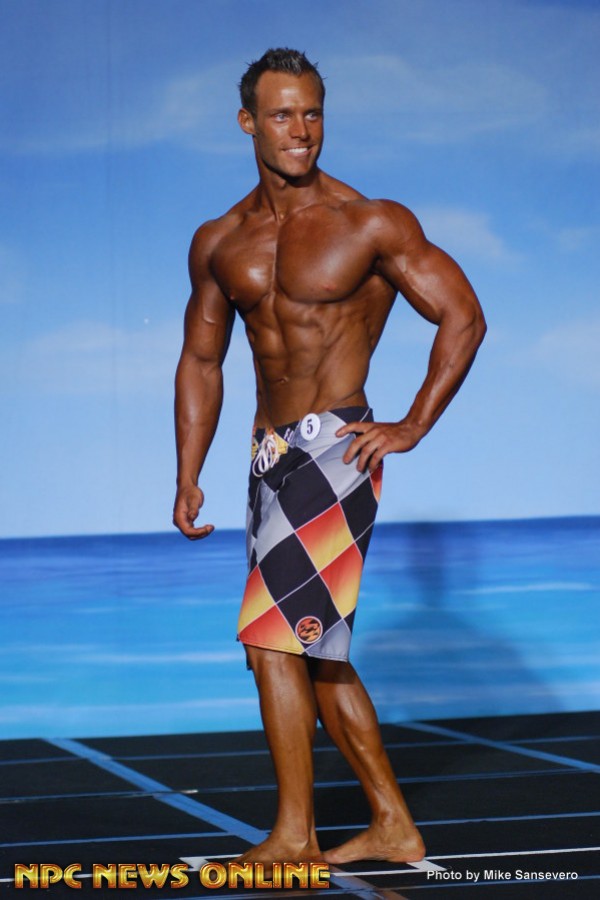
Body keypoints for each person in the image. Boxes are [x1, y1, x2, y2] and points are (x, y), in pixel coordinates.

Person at [173, 48, 486, 867]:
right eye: (282, 114)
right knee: (309, 647)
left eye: (312, 112)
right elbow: (202, 359)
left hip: (336, 447)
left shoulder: (368, 221)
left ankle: (293, 837)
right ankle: (392, 824)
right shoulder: (220, 240)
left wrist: (412, 424)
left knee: (271, 642)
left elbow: (463, 315)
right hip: (268, 455)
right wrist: (187, 472)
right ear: (248, 122)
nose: (300, 130)